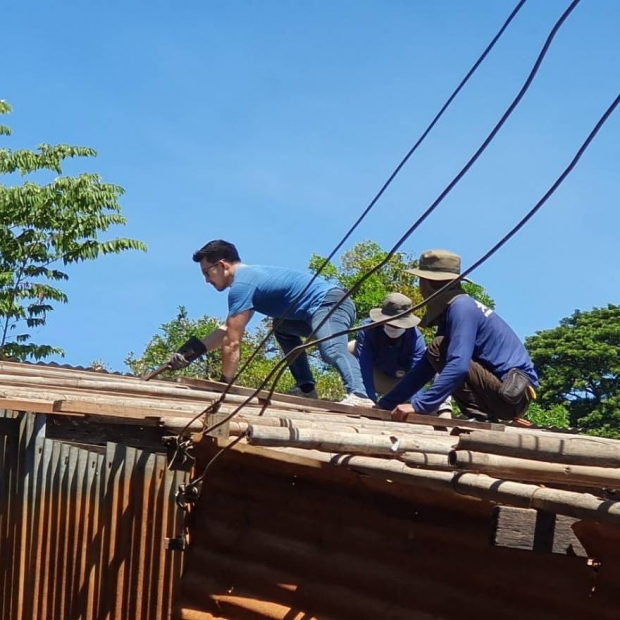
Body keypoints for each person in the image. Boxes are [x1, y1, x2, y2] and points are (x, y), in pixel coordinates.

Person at [172, 239, 374, 407]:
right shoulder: (247, 283)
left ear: (223, 265)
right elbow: (227, 331)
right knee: (281, 327)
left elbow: (232, 343)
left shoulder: (242, 286)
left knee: (331, 349)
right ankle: (306, 388)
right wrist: (191, 351)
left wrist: (225, 386)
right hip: (313, 313)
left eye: (207, 272)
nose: (207, 280)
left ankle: (360, 396)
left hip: (330, 303)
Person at [377, 249, 538, 424]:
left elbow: (458, 364)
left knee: (438, 347)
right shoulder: (454, 310)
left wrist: (420, 406)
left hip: (511, 395)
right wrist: (385, 405)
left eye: (420, 281)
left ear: (428, 282)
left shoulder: (461, 308)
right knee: (436, 349)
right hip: (506, 394)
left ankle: (481, 416)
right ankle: (481, 414)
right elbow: (424, 369)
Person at [350, 293, 426, 402]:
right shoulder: (368, 329)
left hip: (403, 384)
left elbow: (417, 374)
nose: (394, 327)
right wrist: (368, 400)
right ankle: (360, 395)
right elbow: (364, 365)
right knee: (351, 347)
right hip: (376, 377)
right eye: (390, 324)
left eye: (398, 325)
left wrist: (415, 406)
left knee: (431, 357)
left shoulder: (416, 339)